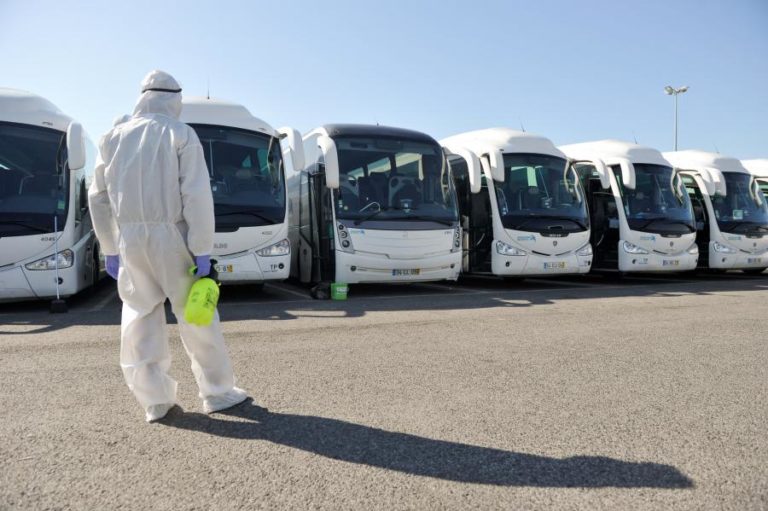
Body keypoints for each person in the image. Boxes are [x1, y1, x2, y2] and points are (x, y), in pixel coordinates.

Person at [88, 70, 247, 422]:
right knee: (196, 315)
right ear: (173, 99)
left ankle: (155, 401)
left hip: (130, 240)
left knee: (139, 317)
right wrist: (202, 246)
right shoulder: (180, 133)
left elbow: (97, 198)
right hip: (173, 237)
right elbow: (196, 195)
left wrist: (109, 247)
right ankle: (218, 393)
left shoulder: (111, 138)